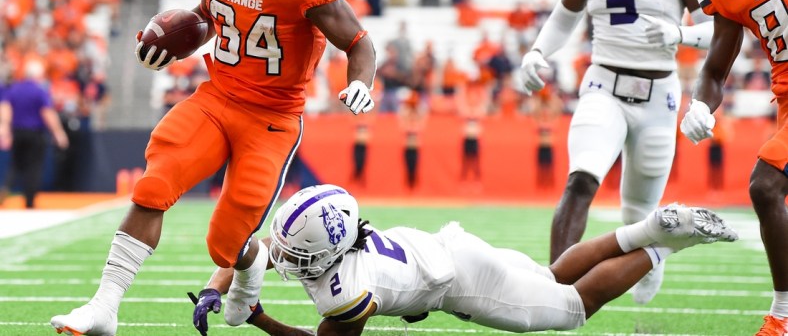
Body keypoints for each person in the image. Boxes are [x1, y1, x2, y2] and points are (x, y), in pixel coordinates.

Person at [50, 0, 377, 334]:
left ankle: (252, 262)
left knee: (225, 243)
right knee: (154, 184)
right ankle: (104, 308)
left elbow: (358, 41)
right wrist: (179, 36)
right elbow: (212, 13)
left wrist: (359, 81)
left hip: (272, 118)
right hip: (217, 97)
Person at [189, 184, 738, 336]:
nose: (283, 257)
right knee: (549, 277)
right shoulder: (340, 243)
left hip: (463, 283)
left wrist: (258, 317)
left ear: (325, 250)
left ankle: (666, 240)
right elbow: (247, 250)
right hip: (453, 246)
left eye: (294, 250)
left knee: (574, 308)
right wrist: (222, 287)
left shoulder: (349, 289)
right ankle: (648, 230)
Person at [518, 0, 715, 304]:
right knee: (581, 180)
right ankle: (556, 288)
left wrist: (680, 33)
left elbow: (717, 29)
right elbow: (566, 13)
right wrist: (537, 51)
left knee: (638, 211)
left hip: (659, 92)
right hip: (602, 84)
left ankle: (645, 267)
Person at [682, 0, 788, 333]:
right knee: (766, 187)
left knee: (765, 185)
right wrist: (699, 104)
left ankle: (782, 317)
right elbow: (714, 71)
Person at [0, 60, 69, 208]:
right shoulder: (39, 91)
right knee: (34, 167)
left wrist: (5, 128)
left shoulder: (14, 89)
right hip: (35, 134)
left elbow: (5, 108)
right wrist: (58, 133)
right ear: (38, 76)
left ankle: (5, 187)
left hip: (17, 132)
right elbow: (47, 113)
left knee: (15, 164)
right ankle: (29, 200)